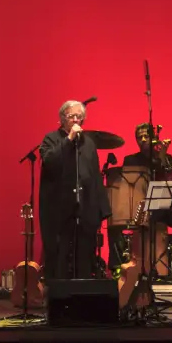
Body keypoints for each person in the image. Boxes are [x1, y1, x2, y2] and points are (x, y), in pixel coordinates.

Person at [106, 123, 172, 272]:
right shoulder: (130, 160)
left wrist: (162, 157)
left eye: (146, 136)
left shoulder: (165, 157)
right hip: (140, 208)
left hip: (161, 206)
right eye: (139, 137)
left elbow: (169, 180)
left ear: (154, 138)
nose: (142, 139)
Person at [39, 100, 110, 280]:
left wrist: (102, 209)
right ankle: (58, 299)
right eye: (72, 116)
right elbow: (49, 162)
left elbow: (94, 175)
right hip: (60, 210)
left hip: (85, 207)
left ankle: (83, 299)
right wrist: (69, 139)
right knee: (59, 257)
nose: (77, 120)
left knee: (85, 256)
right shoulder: (51, 139)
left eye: (80, 117)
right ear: (63, 119)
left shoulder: (89, 144)